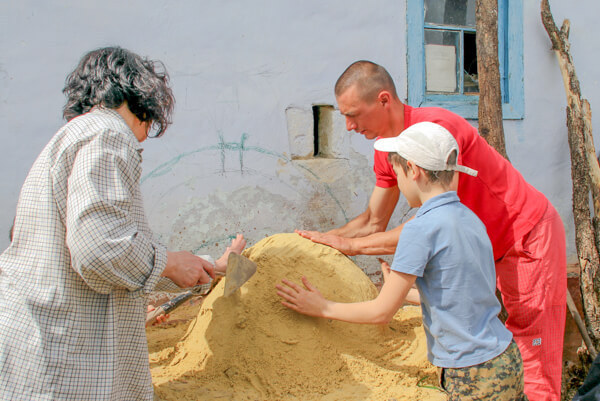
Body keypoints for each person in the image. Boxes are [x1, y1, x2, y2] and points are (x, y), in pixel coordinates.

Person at [296, 60, 566, 401]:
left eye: (354, 114)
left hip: (525, 236)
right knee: (512, 357)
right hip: (488, 254)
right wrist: (312, 245)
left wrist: (350, 248)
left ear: (383, 100)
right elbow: (372, 222)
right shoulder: (389, 153)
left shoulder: (435, 132)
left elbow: (423, 230)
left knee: (534, 357)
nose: (348, 126)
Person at [0, 46, 245, 400]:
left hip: (34, 339)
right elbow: (100, 249)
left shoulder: (72, 136)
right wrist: (170, 261)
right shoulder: (109, 134)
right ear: (141, 99)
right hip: (62, 355)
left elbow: (91, 243)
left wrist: (192, 268)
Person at [279, 122, 528, 400]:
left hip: (471, 372)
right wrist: (406, 295)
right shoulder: (470, 219)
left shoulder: (420, 228)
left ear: (413, 170)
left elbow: (380, 313)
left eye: (397, 173)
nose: (397, 182)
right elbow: (461, 292)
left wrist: (322, 307)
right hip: (506, 358)